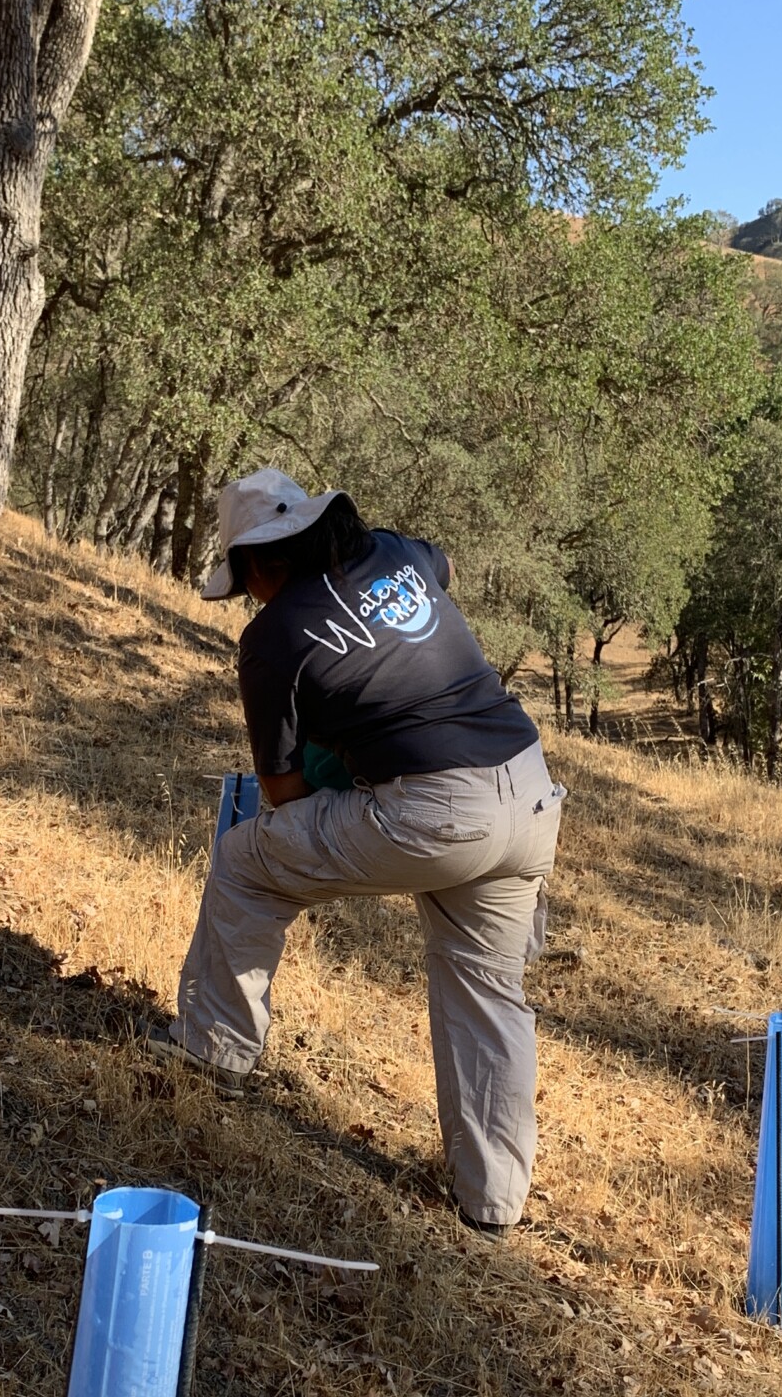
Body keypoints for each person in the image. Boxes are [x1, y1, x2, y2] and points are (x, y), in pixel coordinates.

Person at [153, 467, 565, 1234]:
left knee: (248, 862)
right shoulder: (399, 553)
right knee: (485, 990)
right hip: (530, 789)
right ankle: (492, 1204)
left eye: (243, 584)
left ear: (259, 566)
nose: (249, 598)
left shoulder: (272, 639)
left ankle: (212, 1051)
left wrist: (333, 763)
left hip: (436, 811)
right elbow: (448, 567)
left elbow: (279, 795)